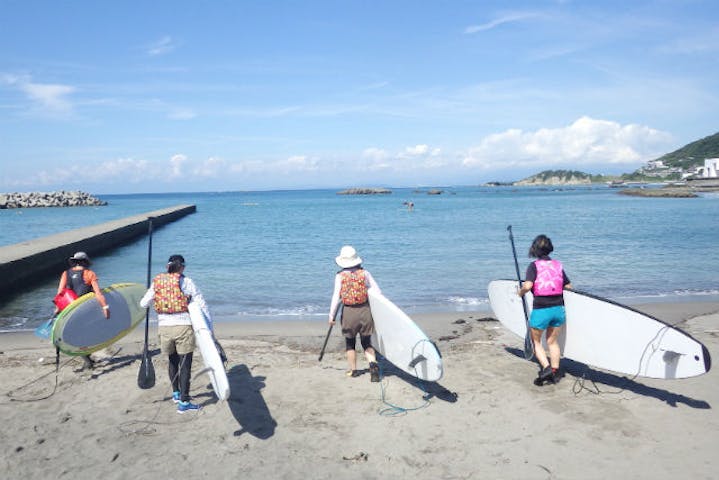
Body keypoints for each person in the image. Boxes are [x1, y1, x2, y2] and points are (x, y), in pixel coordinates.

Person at [140, 254, 211, 413]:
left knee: (172, 361)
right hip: (183, 327)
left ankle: (176, 394)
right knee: (185, 365)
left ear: (167, 267)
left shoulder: (157, 282)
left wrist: (156, 296)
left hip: (164, 328)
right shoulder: (186, 282)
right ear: (182, 267)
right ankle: (184, 403)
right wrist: (209, 328)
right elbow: (202, 304)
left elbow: (143, 303)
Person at [518, 235, 572, 385]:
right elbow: (568, 287)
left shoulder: (533, 266)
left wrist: (520, 292)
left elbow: (528, 286)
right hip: (558, 309)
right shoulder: (558, 265)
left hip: (542, 309)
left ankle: (547, 368)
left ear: (534, 249)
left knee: (536, 342)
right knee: (552, 342)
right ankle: (555, 372)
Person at [328, 246, 381, 382]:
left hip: (349, 312)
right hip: (365, 311)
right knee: (366, 342)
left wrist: (331, 316)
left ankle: (353, 370)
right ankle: (373, 367)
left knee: (350, 343)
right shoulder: (365, 273)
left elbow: (336, 297)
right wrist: (366, 290)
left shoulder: (340, 276)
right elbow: (377, 291)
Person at [55, 251, 110, 369]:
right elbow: (98, 293)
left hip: (70, 309)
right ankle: (88, 360)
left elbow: (60, 293)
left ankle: (87, 359)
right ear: (85, 262)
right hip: (85, 309)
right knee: (88, 333)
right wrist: (105, 307)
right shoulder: (89, 274)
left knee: (76, 335)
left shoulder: (66, 273)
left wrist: (57, 308)